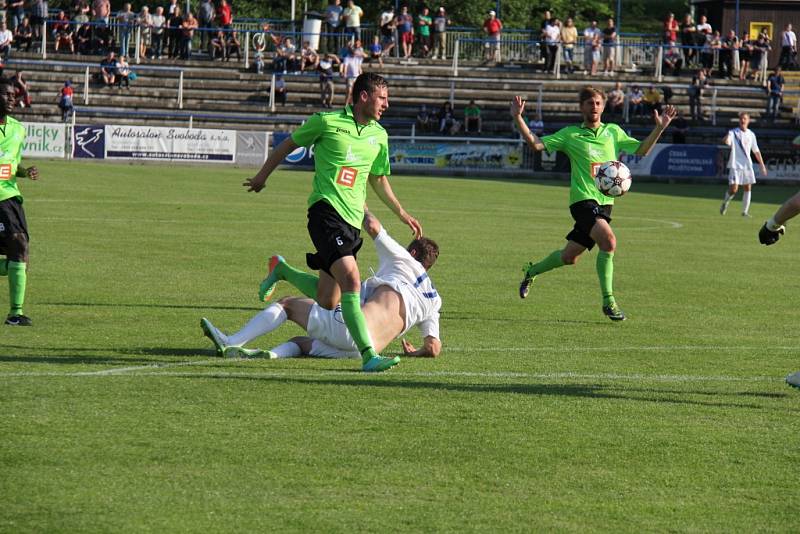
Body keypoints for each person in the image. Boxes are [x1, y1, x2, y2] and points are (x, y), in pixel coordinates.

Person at [243, 72, 423, 373]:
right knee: (352, 280)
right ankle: (368, 356)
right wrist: (262, 176)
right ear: (363, 96)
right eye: (382, 98)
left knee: (329, 299)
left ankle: (283, 270)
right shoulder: (326, 121)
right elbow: (288, 144)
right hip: (325, 213)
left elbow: (378, 179)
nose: (387, 105)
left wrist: (401, 212)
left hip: (352, 222)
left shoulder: (379, 135)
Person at [510, 87, 675, 321]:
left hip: (605, 204)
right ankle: (609, 302)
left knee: (570, 257)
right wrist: (518, 117)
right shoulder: (570, 134)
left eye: (598, 103)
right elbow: (536, 145)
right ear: (581, 107)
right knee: (609, 242)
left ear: (604, 106)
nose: (594, 107)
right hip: (582, 201)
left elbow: (642, 149)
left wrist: (660, 128)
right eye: (589, 103)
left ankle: (531, 271)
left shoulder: (613, 132)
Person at [201, 210, 441, 360]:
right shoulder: (433, 299)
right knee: (301, 343)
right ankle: (270, 356)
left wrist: (358, 199)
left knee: (288, 304)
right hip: (361, 351)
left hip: (355, 333)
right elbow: (433, 348)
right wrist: (414, 352)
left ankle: (231, 342)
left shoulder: (403, 259)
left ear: (412, 251)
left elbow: (373, 226)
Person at [0, 78, 40, 326]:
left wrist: (25, 172)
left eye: (15, 95)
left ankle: (15, 313)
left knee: (20, 250)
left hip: (10, 197)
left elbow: (13, 165)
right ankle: (15, 312)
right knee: (19, 245)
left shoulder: (18, 128)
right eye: (7, 95)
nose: (13, 98)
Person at [719, 112, 767, 217]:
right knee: (733, 189)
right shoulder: (733, 132)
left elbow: (756, 151)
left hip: (747, 165)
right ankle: (725, 203)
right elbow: (726, 141)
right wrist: (726, 139)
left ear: (748, 121)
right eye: (741, 119)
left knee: (748, 187)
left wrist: (762, 165)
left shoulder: (751, 134)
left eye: (745, 119)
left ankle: (744, 212)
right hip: (735, 165)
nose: (742, 121)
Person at [341, 41, 364, 106]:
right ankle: (345, 105)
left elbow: (359, 67)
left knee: (354, 92)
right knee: (349, 91)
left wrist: (361, 75)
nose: (354, 53)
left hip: (356, 77)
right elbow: (345, 66)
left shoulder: (358, 58)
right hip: (350, 77)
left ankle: (351, 104)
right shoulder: (347, 58)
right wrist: (344, 73)